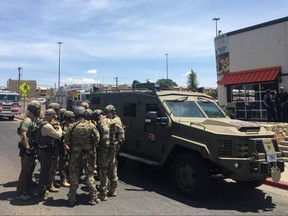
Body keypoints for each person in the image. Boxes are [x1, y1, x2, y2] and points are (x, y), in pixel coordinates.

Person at [65, 106, 100, 206]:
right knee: (89, 175)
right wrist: (91, 147)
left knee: (74, 176)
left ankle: (71, 199)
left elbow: (67, 141)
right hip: (88, 153)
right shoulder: (91, 125)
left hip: (76, 154)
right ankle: (93, 198)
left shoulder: (72, 126)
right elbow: (97, 138)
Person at [16, 100, 41, 200]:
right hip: (27, 149)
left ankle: (27, 189)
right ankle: (20, 192)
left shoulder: (33, 119)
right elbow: (23, 135)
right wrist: (27, 148)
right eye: (38, 109)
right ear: (34, 109)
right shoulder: (27, 121)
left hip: (32, 148)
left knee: (30, 170)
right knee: (25, 171)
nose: (40, 111)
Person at [37, 109, 62, 201]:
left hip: (42, 150)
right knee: (45, 172)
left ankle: (43, 189)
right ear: (50, 115)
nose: (53, 118)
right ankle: (42, 192)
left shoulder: (41, 123)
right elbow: (58, 135)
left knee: (45, 171)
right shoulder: (47, 126)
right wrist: (59, 127)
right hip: (46, 152)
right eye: (53, 116)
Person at [104, 104, 125, 197]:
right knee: (111, 166)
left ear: (111, 112)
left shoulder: (115, 120)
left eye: (108, 113)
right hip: (112, 146)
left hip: (112, 146)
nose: (107, 115)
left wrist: (103, 120)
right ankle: (110, 188)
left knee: (110, 167)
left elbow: (110, 125)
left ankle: (111, 188)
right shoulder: (116, 119)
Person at [92, 109, 110, 201]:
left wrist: (100, 144)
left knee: (102, 170)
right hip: (108, 148)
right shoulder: (108, 119)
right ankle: (107, 188)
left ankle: (103, 193)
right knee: (106, 169)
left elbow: (105, 133)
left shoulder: (101, 122)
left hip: (103, 149)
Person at [58, 111, 75, 187]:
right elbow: (62, 136)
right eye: (72, 117)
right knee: (63, 164)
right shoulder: (63, 125)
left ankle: (69, 177)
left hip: (71, 147)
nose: (73, 118)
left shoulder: (71, 125)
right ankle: (63, 179)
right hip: (64, 147)